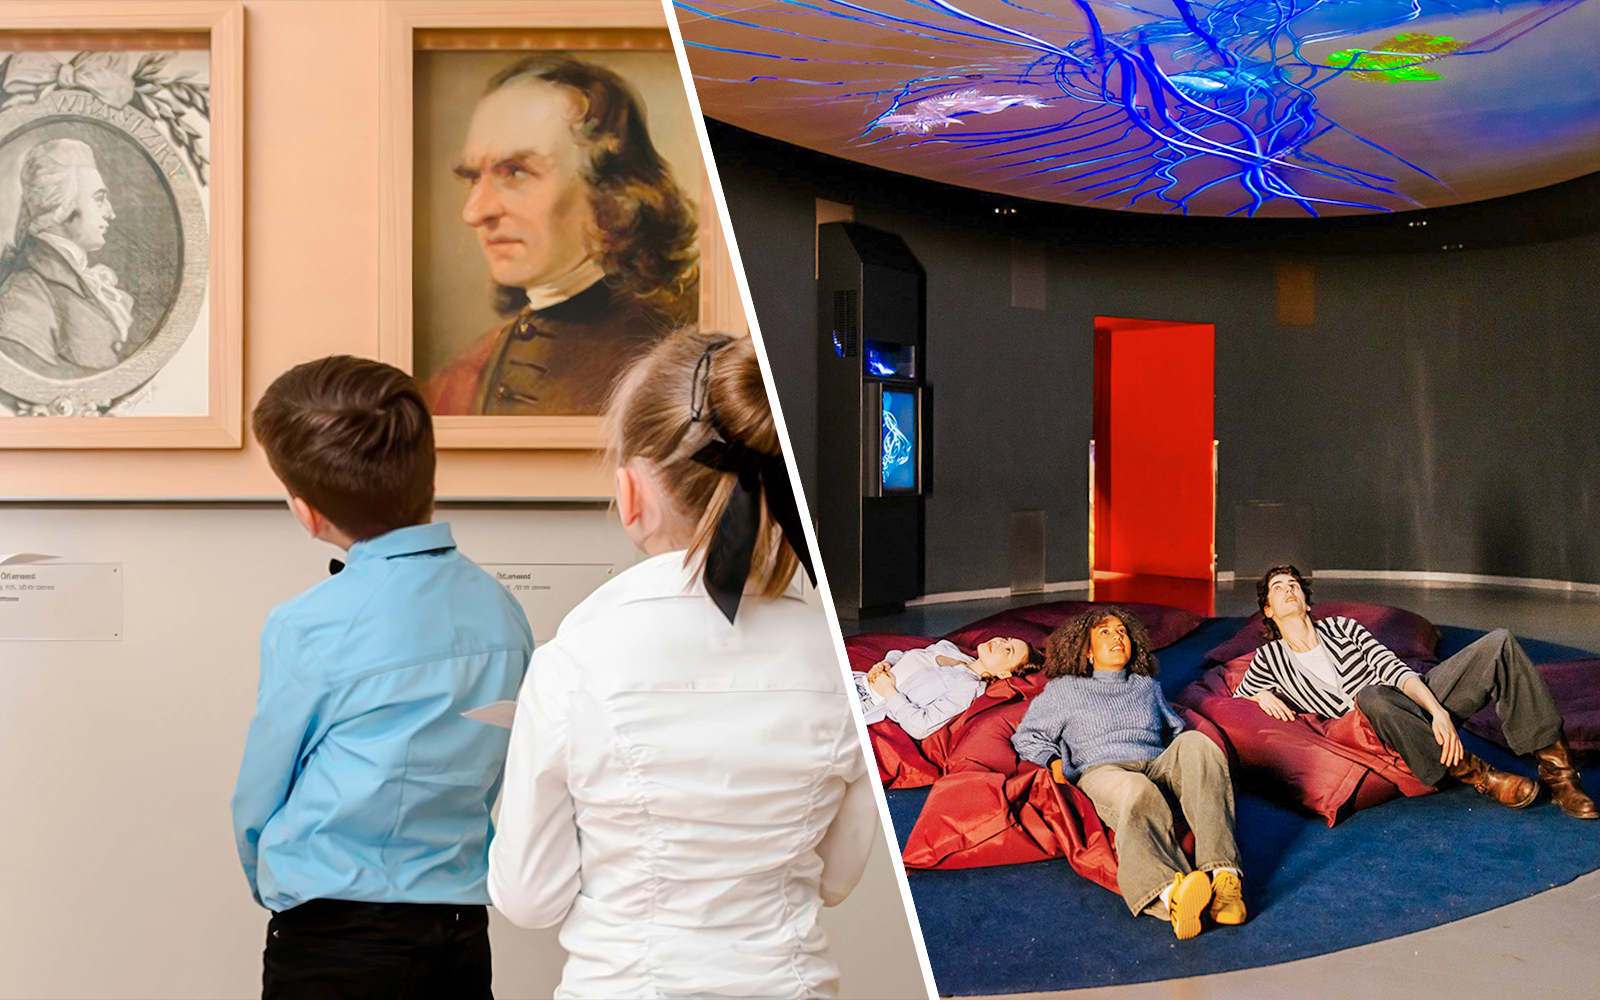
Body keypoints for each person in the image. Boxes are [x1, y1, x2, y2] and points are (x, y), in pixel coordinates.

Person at [488, 331, 876, 997]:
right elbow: (837, 878)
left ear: (630, 492)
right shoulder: (837, 661)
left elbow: (529, 898)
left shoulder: (573, 663)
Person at [231, 356, 535, 999]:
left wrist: (272, 881)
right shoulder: (503, 610)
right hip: (458, 934)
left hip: (335, 937)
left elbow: (264, 788)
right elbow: (499, 764)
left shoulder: (308, 624)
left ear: (307, 512)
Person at [423, 56, 699, 415]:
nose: (474, 212)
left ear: (611, 192)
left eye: (516, 172)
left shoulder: (669, 359)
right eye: (474, 176)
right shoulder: (472, 367)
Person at [1237, 564, 1597, 819]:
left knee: (1499, 642)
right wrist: (1260, 696)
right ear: (1268, 610)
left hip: (1411, 699)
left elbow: (1392, 668)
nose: (1288, 590)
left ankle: (1559, 773)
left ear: (1307, 601)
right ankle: (1479, 775)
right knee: (1370, 695)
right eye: (1278, 587)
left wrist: (1439, 712)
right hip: (1374, 727)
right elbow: (1238, 694)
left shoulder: (1342, 627)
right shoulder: (1269, 658)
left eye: (1293, 585)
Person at [1012, 607, 1246, 940]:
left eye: (1121, 631)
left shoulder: (1145, 687)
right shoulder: (1065, 690)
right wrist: (1053, 762)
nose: (1117, 637)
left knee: (1199, 743)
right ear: (1087, 652)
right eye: (1105, 633)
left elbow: (1175, 730)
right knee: (1136, 790)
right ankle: (1173, 897)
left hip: (1154, 762)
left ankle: (1224, 878)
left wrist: (1190, 765)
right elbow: (1028, 736)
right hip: (1102, 770)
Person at [0, 137, 133, 377]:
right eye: (99, 198)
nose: (110, 213)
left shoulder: (78, 280)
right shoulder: (26, 294)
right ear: (60, 205)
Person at [858, 636, 1038, 739]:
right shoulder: (949, 648)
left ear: (1005, 675)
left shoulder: (968, 687)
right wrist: (887, 663)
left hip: (864, 704)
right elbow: (904, 654)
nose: (999, 643)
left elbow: (921, 726)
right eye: (1006, 639)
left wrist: (888, 691)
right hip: (858, 679)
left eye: (1008, 650)